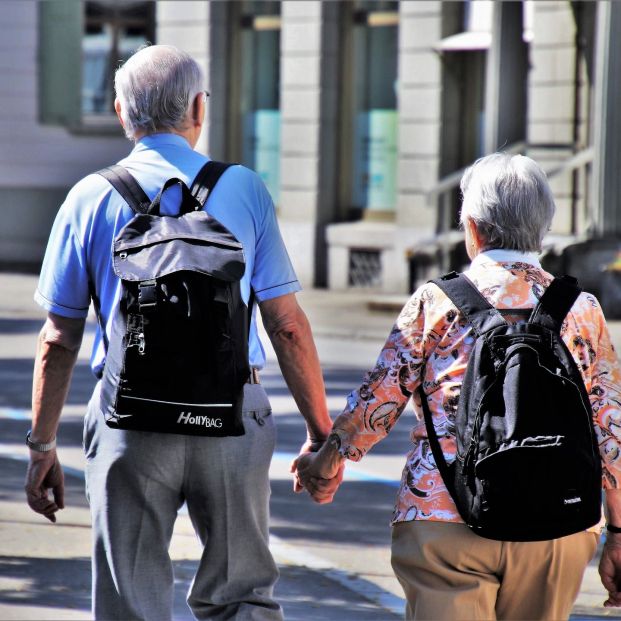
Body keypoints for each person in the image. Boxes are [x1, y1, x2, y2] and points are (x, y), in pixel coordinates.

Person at [25, 44, 334, 621]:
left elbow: (58, 340)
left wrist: (42, 447)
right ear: (199, 107)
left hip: (130, 423)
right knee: (241, 594)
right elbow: (286, 325)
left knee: (129, 602)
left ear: (121, 111)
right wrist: (322, 433)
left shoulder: (88, 197)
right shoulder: (244, 189)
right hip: (233, 416)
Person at [295, 153, 621, 620]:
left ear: (472, 227)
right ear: (543, 228)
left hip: (444, 517)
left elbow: (380, 399)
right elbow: (611, 428)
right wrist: (619, 531)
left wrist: (326, 461)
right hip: (558, 525)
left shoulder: (437, 301)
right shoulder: (582, 309)